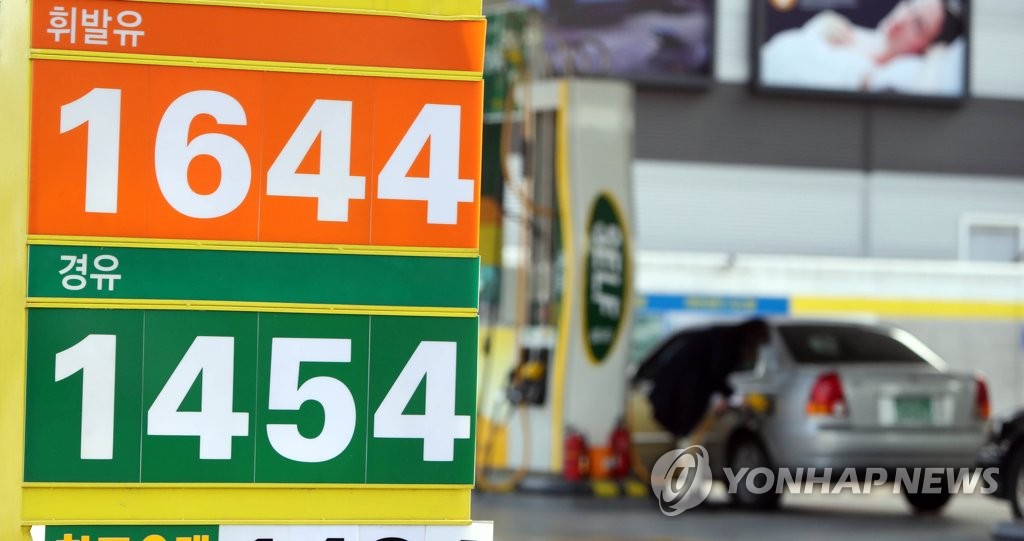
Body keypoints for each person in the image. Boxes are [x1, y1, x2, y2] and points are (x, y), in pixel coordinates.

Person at [760, 0, 965, 94]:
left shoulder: (898, 74)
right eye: (909, 5)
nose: (902, 20)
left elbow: (925, 99)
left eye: (918, 25)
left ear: (927, 47)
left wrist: (936, 56)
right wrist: (816, 26)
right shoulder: (833, 26)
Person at [645, 319, 770, 438]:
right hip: (684, 390)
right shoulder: (726, 343)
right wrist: (733, 395)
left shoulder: (722, 338)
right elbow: (715, 374)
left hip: (681, 390)